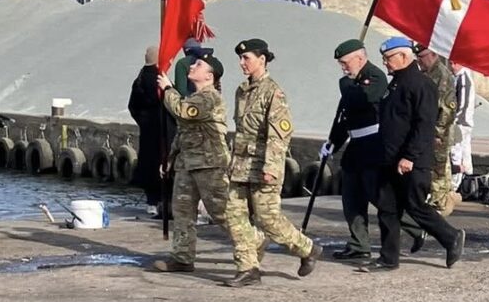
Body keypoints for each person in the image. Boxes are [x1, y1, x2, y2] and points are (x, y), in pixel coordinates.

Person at [221, 38, 322, 287]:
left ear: (262, 60)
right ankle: (248, 268)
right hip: (240, 167)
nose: (242, 63)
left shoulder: (273, 93)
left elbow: (280, 134)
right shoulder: (241, 91)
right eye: (241, 58)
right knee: (234, 216)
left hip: (264, 166)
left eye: (247, 58)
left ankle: (307, 249)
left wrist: (270, 168)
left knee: (267, 219)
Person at [365, 36, 466, 272]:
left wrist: (409, 156)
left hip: (412, 161)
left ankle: (451, 237)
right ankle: (388, 258)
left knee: (416, 206)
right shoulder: (397, 83)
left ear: (403, 56)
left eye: (389, 58)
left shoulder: (421, 84)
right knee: (387, 208)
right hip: (391, 159)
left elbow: (424, 125)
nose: (385, 63)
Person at [152, 53, 255, 274]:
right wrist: (169, 159)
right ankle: (182, 257)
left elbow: (183, 112)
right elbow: (183, 134)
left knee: (222, 212)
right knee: (182, 212)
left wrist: (168, 90)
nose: (192, 66)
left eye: (199, 65)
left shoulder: (210, 97)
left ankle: (253, 243)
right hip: (187, 163)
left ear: (209, 76)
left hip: (210, 165)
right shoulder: (193, 96)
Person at [324, 39, 389, 262]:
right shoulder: (352, 81)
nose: (343, 68)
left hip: (373, 144)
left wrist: (346, 84)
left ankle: (415, 226)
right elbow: (344, 118)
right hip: (355, 146)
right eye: (340, 64)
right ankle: (359, 243)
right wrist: (333, 141)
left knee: (378, 195)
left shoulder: (376, 76)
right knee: (351, 197)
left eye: (345, 62)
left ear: (360, 58)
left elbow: (362, 100)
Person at [128, 45, 174, 217]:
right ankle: (163, 201)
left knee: (148, 163)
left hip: (147, 129)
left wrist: (143, 121)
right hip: (163, 130)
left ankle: (151, 201)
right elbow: (170, 102)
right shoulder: (160, 79)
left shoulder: (139, 79)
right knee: (163, 163)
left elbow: (132, 106)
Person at [414, 44, 460, 216]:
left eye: (422, 57)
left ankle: (439, 205)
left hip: (438, 132)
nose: (419, 61)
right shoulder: (425, 73)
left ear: (432, 54)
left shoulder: (442, 75)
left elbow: (447, 109)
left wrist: (438, 133)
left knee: (438, 167)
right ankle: (443, 198)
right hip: (427, 129)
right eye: (417, 57)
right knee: (437, 165)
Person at [450, 62, 476, 189]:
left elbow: (463, 103)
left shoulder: (463, 78)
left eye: (454, 63)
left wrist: (454, 119)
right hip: (464, 121)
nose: (452, 67)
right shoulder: (462, 76)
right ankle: (468, 182)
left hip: (461, 122)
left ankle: (455, 184)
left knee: (456, 152)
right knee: (465, 151)